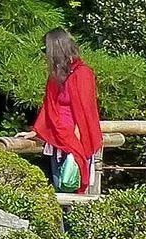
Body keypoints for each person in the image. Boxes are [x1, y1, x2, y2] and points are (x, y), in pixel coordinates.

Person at [32, 28, 101, 193]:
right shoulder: (56, 77)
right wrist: (35, 132)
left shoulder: (83, 74)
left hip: (74, 137)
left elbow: (86, 111)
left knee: (73, 186)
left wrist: (78, 139)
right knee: (60, 186)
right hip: (57, 137)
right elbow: (49, 107)